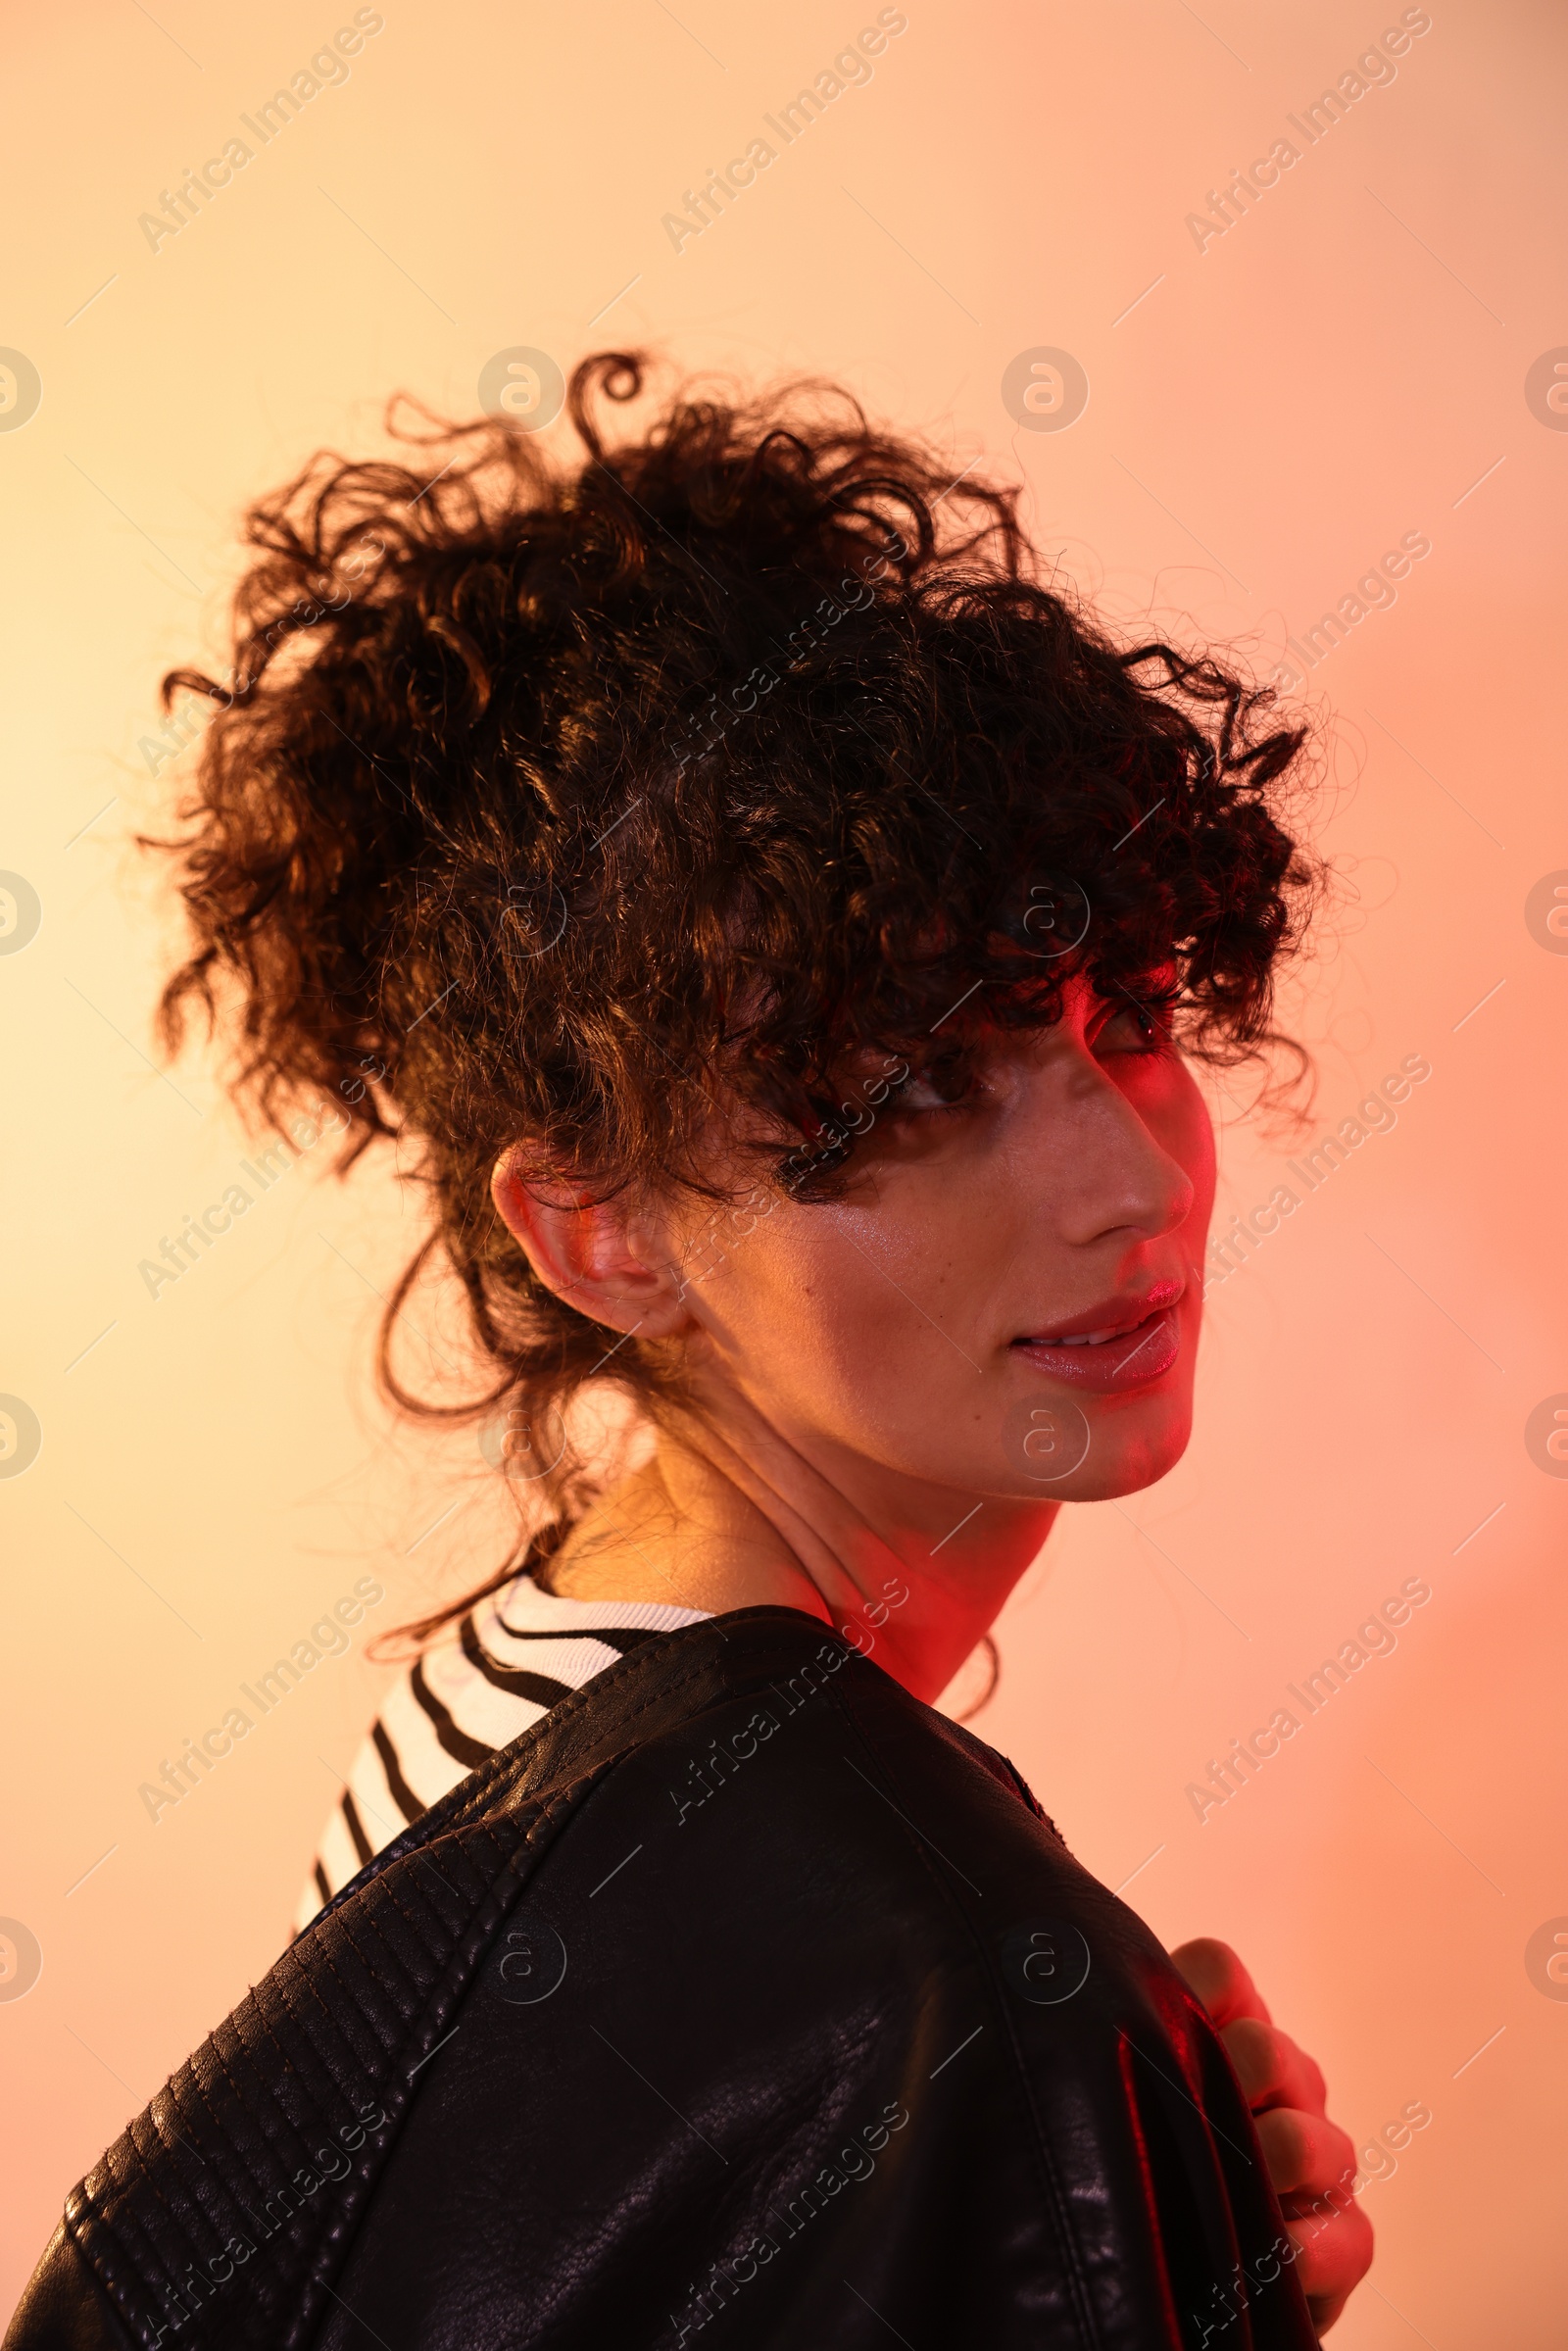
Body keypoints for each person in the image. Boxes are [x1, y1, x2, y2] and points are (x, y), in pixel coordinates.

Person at [6, 354, 1372, 2348]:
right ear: (603, 1233)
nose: (1119, 1182)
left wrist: (1103, 2242)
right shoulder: (902, 1955)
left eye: (1133, 1014)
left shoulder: (537, 1679)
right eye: (911, 1087)